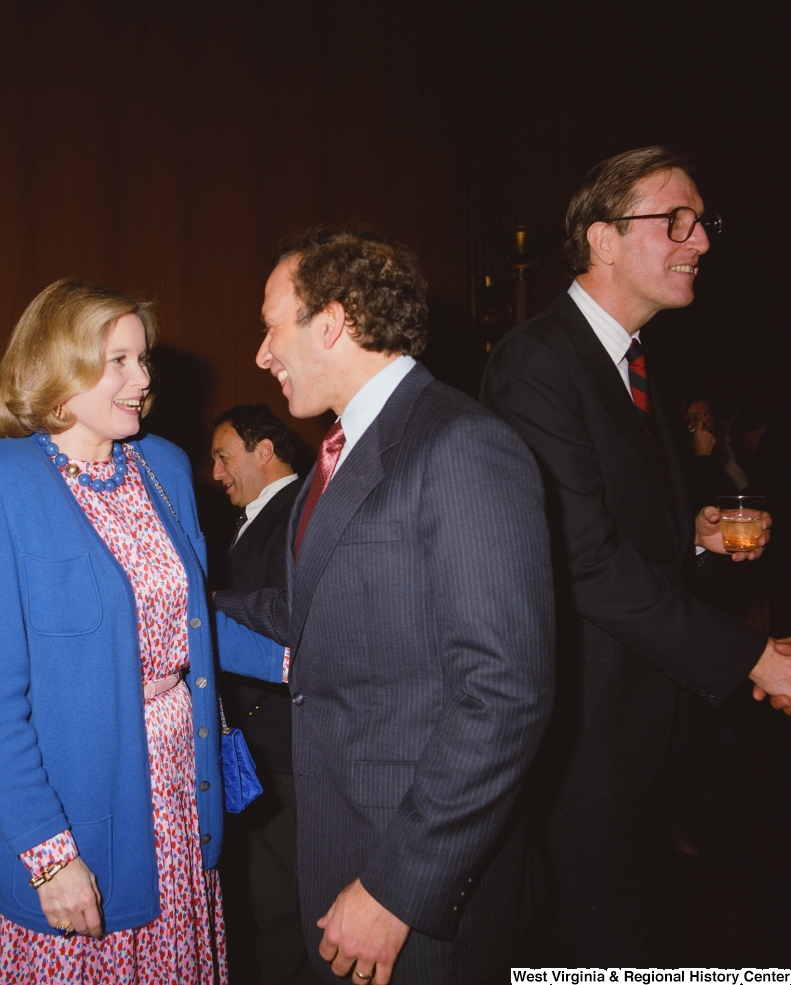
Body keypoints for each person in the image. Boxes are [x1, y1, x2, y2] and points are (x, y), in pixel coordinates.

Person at [215, 230, 555, 984]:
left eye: (272, 327)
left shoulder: (462, 443)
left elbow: (505, 694)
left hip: (414, 886)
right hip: (344, 848)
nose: (262, 355)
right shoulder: (338, 456)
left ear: (331, 323)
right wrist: (177, 601)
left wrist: (399, 887)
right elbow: (306, 611)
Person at [480, 146, 791, 964]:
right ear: (602, 238)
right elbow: (583, 565)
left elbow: (615, 525)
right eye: (675, 222)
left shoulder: (633, 357)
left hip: (640, 731)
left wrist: (695, 529)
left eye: (703, 224)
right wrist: (753, 656)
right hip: (583, 742)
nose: (701, 242)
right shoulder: (535, 364)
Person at [0, 280, 286, 984]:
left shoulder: (160, 466)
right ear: (58, 365)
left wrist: (299, 658)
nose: (144, 378)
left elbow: (190, 623)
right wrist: (50, 853)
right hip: (78, 814)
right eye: (118, 360)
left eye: (143, 358)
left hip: (180, 800)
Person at [210, 404, 315, 984]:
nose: (217, 473)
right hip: (262, 741)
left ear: (264, 451)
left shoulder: (297, 513)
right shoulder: (257, 516)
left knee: (281, 905)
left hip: (283, 744)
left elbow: (290, 623)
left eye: (225, 457)